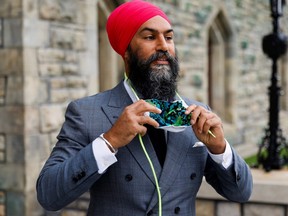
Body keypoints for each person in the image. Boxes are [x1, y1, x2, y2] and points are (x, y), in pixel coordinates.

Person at [36, 1, 253, 215]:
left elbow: (241, 193)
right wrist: (109, 141)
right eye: (150, 37)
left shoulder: (197, 113)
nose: (163, 46)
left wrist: (220, 149)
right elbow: (48, 195)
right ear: (126, 50)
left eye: (168, 37)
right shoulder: (86, 112)